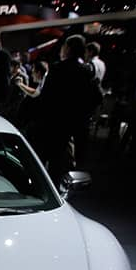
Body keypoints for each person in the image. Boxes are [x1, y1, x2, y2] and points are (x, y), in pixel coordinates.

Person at [30, 34, 101, 180]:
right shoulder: (86, 71)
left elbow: (45, 98)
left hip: (50, 123)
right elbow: (97, 97)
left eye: (63, 46)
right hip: (69, 127)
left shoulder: (57, 68)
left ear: (68, 48)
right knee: (58, 164)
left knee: (40, 163)